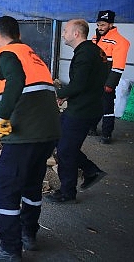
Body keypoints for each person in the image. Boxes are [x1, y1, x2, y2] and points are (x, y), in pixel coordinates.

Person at [0, 16, 60, 261]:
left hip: (26, 133)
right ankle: (28, 235)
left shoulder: (6, 54)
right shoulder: (33, 55)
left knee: (5, 186)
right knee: (32, 185)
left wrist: (1, 117)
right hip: (49, 133)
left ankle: (9, 248)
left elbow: (16, 80)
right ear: (19, 34)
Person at [45, 19, 108, 204]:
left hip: (83, 110)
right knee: (58, 137)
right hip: (86, 105)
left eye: (65, 31)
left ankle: (67, 193)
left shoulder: (85, 54)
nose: (63, 33)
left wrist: (57, 93)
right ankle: (90, 170)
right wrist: (68, 95)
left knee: (65, 151)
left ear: (76, 34)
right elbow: (86, 81)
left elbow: (79, 84)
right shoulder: (93, 50)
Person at [90, 10, 130, 144]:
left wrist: (110, 84)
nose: (100, 27)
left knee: (107, 107)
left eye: (103, 25)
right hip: (93, 80)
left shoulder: (120, 42)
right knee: (93, 104)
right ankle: (92, 128)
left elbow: (118, 66)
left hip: (106, 81)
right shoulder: (95, 38)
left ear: (111, 24)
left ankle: (106, 134)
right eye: (98, 24)